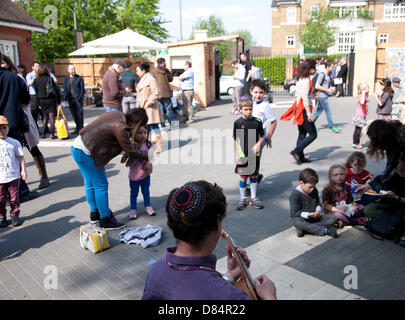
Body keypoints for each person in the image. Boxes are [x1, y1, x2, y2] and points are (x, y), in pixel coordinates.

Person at [142, 180, 277, 300]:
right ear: (217, 225)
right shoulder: (230, 296)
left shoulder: (156, 271)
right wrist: (270, 297)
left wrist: (230, 276)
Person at [71, 108, 149, 230]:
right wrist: (148, 155)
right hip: (87, 152)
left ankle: (95, 213)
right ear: (138, 123)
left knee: (90, 184)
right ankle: (105, 219)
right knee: (100, 185)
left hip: (77, 146)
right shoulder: (121, 128)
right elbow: (131, 151)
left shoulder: (117, 114)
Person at [281, 59, 318, 164]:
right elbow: (304, 97)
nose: (314, 70)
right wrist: (309, 113)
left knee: (302, 134)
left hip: (299, 108)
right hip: (304, 109)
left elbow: (301, 96)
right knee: (313, 134)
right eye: (313, 68)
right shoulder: (306, 80)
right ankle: (296, 151)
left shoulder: (301, 79)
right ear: (308, 69)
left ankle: (300, 157)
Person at [357, 120, 404, 197]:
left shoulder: (401, 139)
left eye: (373, 141)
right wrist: (370, 185)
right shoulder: (391, 143)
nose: (372, 144)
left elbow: (391, 170)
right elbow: (389, 170)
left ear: (381, 138)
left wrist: (397, 198)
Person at [233, 99, 265, 210]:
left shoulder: (257, 121)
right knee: (243, 177)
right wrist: (236, 155)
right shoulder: (238, 123)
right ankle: (242, 199)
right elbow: (236, 139)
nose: (248, 112)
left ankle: (254, 198)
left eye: (250, 109)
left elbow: (262, 136)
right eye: (246, 109)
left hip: (254, 155)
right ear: (240, 110)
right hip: (242, 154)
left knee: (254, 176)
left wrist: (258, 144)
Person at [289, 168, 338, 238]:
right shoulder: (295, 195)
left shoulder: (314, 190)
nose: (312, 189)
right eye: (310, 187)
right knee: (297, 221)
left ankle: (305, 230)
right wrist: (308, 214)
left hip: (314, 218)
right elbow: (294, 214)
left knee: (333, 218)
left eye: (314, 186)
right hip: (302, 219)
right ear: (301, 183)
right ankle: (325, 230)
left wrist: (317, 211)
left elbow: (318, 203)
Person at [124, 124, 156, 220]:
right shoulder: (132, 146)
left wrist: (150, 163)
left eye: (145, 133)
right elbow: (125, 158)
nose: (143, 135)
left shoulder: (148, 145)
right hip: (134, 176)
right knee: (134, 194)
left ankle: (148, 206)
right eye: (140, 133)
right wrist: (125, 156)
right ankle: (133, 209)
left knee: (146, 192)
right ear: (134, 134)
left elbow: (152, 157)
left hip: (145, 175)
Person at [0, 116, 26, 228]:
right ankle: (2, 216)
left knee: (14, 197)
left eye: (4, 127)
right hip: (0, 178)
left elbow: (21, 157)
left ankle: (15, 215)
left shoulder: (14, 142)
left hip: (13, 176)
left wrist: (23, 171)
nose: (2, 131)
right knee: (0, 199)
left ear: (8, 128)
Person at [364, 154, 405, 221]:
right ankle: (394, 221)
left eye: (399, 162)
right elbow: (381, 190)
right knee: (368, 209)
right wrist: (373, 185)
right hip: (388, 207)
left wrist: (395, 197)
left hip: (402, 209)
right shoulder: (392, 176)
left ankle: (390, 220)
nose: (395, 165)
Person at [136, 62, 163, 154]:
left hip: (150, 108)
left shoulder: (151, 79)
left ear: (143, 70)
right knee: (146, 128)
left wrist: (148, 103)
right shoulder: (142, 79)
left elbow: (156, 92)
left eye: (138, 70)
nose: (136, 72)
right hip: (143, 108)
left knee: (154, 126)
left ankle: (159, 146)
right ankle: (147, 145)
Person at [33, 65, 61, 139]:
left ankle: (43, 133)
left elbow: (36, 92)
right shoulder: (50, 78)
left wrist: (38, 103)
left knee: (45, 117)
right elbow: (56, 90)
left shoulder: (36, 80)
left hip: (41, 100)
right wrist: (59, 101)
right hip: (50, 99)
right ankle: (52, 134)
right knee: (51, 117)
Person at [313, 60, 340, 133]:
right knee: (328, 112)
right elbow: (317, 86)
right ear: (327, 67)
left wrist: (330, 89)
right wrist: (327, 90)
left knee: (318, 112)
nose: (333, 68)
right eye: (332, 67)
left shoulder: (328, 75)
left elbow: (325, 85)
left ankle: (310, 125)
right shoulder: (322, 74)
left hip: (324, 96)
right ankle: (332, 126)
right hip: (322, 96)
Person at [151, 58, 174, 127]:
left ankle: (162, 124)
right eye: (165, 62)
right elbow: (171, 79)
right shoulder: (165, 70)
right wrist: (168, 72)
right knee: (169, 109)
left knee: (160, 109)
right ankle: (173, 125)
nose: (165, 63)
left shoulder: (153, 71)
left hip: (157, 93)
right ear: (162, 62)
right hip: (166, 92)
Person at [63, 64, 85, 133]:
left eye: (74, 69)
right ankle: (77, 127)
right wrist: (65, 97)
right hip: (70, 99)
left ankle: (81, 128)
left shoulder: (79, 78)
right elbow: (65, 88)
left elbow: (82, 89)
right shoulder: (66, 78)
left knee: (79, 114)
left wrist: (80, 97)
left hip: (78, 99)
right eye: (72, 69)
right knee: (74, 114)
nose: (73, 71)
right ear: (68, 70)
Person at [352, 82, 369, 149]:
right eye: (367, 88)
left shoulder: (363, 96)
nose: (368, 89)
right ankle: (357, 143)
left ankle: (355, 143)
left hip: (361, 115)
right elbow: (362, 102)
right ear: (363, 89)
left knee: (357, 130)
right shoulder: (362, 95)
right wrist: (364, 93)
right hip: (360, 116)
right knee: (358, 131)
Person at [26, 61, 42, 125]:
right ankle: (35, 126)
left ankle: (45, 127)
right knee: (34, 112)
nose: (38, 68)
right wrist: (35, 79)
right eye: (36, 66)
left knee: (43, 112)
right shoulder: (29, 75)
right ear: (33, 67)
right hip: (33, 95)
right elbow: (28, 84)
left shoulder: (41, 75)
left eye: (39, 66)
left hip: (40, 94)